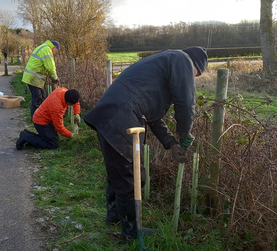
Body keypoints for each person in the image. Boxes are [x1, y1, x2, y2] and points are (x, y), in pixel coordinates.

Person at [83, 46, 208, 239]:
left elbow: (153, 117)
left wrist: (171, 144)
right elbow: (186, 101)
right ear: (195, 66)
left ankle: (116, 215)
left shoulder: (160, 66)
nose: (193, 79)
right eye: (196, 75)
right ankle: (132, 232)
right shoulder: (182, 59)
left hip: (110, 113)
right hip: (122, 116)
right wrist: (184, 134)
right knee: (130, 175)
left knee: (118, 169)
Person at [16, 88, 81, 150]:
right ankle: (25, 136)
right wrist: (71, 135)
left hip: (44, 117)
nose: (71, 106)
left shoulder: (63, 91)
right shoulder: (57, 107)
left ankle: (29, 135)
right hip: (41, 121)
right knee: (53, 144)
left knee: (53, 138)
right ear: (68, 102)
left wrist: (76, 113)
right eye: (71, 105)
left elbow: (74, 99)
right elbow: (59, 127)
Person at [22, 40, 60, 120]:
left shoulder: (43, 47)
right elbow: (50, 67)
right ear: (54, 47)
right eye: (56, 51)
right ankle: (35, 119)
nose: (55, 53)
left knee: (43, 97)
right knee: (37, 98)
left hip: (35, 78)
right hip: (34, 78)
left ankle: (41, 117)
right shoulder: (47, 50)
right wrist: (55, 78)